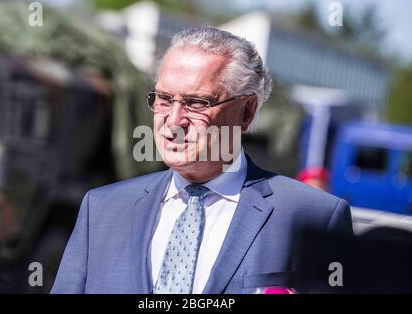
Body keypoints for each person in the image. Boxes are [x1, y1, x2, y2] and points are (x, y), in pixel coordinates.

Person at [51, 26, 353, 294]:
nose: (173, 121)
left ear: (246, 112)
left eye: (196, 103)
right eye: (164, 99)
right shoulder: (101, 211)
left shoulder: (313, 216)